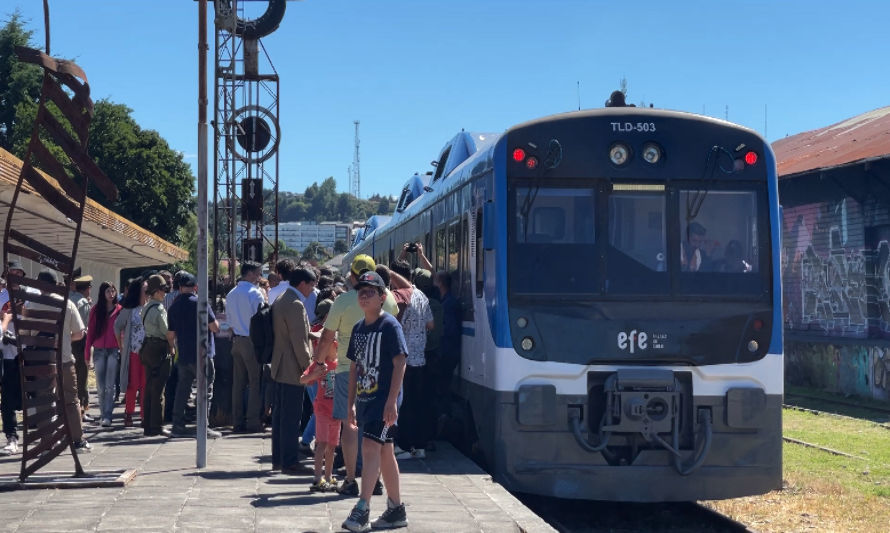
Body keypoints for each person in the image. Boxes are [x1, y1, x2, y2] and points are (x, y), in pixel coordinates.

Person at [317, 254, 399, 496]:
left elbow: (326, 336)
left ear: (352, 276)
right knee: (378, 429)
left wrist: (319, 362)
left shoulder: (341, 301)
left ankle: (351, 479)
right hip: (379, 373)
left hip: (345, 369)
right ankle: (375, 480)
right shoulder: (389, 299)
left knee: (349, 427)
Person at [341, 271, 409, 532]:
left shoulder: (389, 325)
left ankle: (362, 509)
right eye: (361, 292)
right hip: (366, 399)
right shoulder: (358, 329)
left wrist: (392, 402)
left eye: (370, 292)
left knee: (370, 447)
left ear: (382, 297)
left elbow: (400, 362)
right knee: (384, 451)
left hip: (384, 401)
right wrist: (350, 405)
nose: (364, 295)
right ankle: (395, 510)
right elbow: (355, 369)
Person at [26, 270, 91, 452]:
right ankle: (77, 441)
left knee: (44, 402)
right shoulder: (67, 304)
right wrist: (63, 339)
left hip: (42, 362)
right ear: (56, 284)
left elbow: (26, 334)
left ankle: (47, 443)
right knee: (71, 400)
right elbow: (79, 333)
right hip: (63, 360)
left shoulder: (31, 304)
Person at [270, 267, 314, 474]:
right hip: (292, 367)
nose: (312, 289)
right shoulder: (295, 305)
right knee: (291, 418)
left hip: (280, 364)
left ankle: (279, 458)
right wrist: (310, 368)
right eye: (312, 285)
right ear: (303, 283)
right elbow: (299, 342)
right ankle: (289, 461)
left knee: (280, 417)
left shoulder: (281, 298)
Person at [167, 273, 222, 438]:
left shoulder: (174, 307)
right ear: (195, 287)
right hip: (203, 353)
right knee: (205, 390)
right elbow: (214, 328)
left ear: (180, 288)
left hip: (184, 353)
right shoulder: (201, 303)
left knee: (182, 389)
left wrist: (173, 347)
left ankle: (178, 424)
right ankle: (202, 425)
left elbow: (170, 334)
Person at [389, 259, 434, 459]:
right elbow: (431, 324)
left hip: (402, 361)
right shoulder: (422, 296)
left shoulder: (399, 298)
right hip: (420, 359)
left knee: (403, 405)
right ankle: (420, 446)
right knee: (419, 404)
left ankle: (405, 447)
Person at [225, 261, 265, 433]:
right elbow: (261, 320)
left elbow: (229, 321)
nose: (259, 277)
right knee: (255, 382)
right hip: (251, 341)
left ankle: (237, 421)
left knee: (238, 384)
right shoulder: (255, 294)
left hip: (236, 340)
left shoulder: (231, 293)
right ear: (249, 273)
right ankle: (253, 421)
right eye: (257, 273)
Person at [300, 327, 338, 492]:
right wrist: (313, 376)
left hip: (337, 412)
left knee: (332, 446)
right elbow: (302, 379)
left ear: (334, 344)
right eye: (315, 343)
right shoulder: (317, 364)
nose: (316, 346)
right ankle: (317, 477)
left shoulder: (340, 364)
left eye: (321, 343)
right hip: (322, 410)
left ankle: (328, 477)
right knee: (321, 444)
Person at [140, 274, 173, 437]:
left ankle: (147, 425)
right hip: (159, 348)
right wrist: (172, 348)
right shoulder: (159, 309)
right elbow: (168, 333)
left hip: (147, 347)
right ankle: (156, 426)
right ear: (155, 291)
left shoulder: (146, 307)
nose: (165, 293)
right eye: (163, 289)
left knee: (149, 388)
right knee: (159, 389)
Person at [84, 281, 121, 427]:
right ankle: (102, 413)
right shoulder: (95, 310)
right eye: (108, 291)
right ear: (102, 293)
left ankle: (107, 415)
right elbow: (90, 333)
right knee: (100, 385)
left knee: (110, 385)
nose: (111, 294)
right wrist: (87, 354)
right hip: (99, 350)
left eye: (113, 291)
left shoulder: (120, 310)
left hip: (114, 350)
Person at [114, 278, 147, 428]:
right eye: (145, 291)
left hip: (147, 353)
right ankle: (129, 413)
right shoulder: (128, 310)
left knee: (145, 385)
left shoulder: (149, 307)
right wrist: (121, 346)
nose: (147, 294)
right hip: (132, 352)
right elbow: (117, 326)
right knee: (132, 384)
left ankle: (144, 415)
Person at [432, 270, 461, 432]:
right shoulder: (447, 301)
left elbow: (448, 330)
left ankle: (444, 419)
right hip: (448, 352)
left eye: (436, 281)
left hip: (446, 353)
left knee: (442, 388)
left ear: (441, 284)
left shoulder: (448, 305)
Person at [69, 273, 93, 421]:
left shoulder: (69, 298)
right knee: (82, 377)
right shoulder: (83, 302)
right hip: (80, 342)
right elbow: (86, 326)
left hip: (68, 341)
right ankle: (83, 411)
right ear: (87, 289)